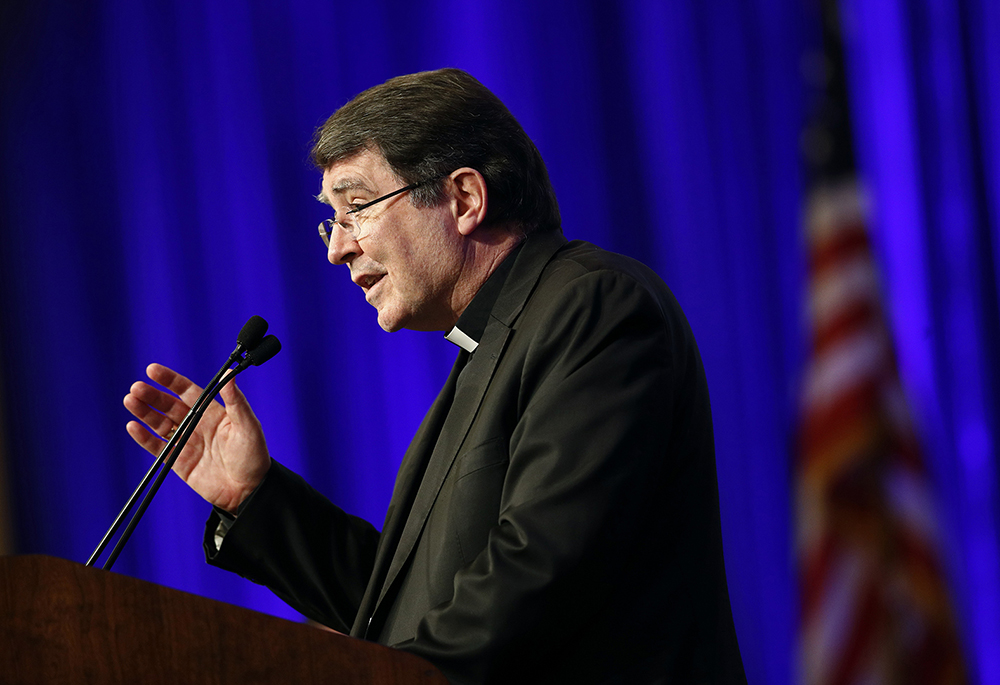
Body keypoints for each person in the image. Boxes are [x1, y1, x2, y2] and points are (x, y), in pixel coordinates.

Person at [124, 68, 746, 684]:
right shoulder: (488, 346)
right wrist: (255, 499)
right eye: (331, 219)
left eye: (356, 206)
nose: (337, 247)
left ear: (464, 199)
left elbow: (541, 568)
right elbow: (406, 610)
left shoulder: (593, 307)